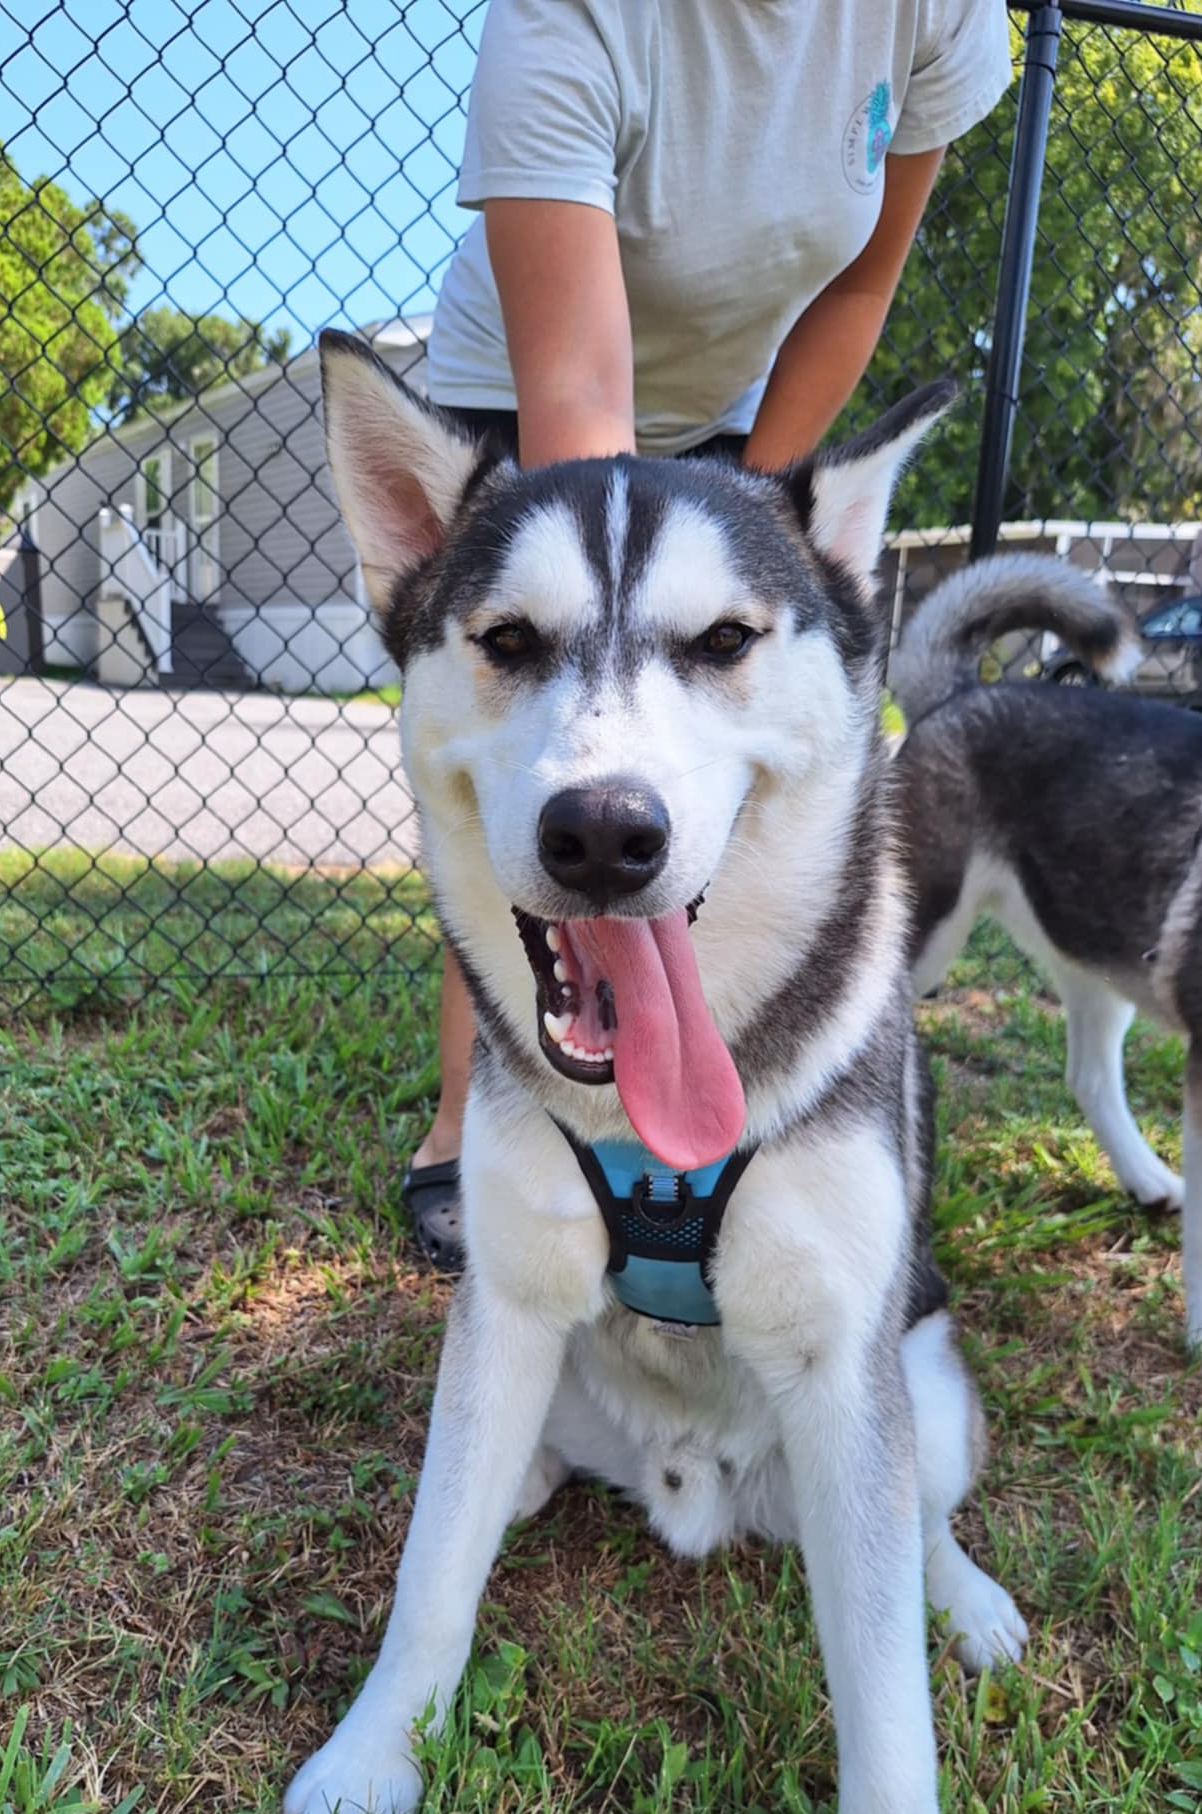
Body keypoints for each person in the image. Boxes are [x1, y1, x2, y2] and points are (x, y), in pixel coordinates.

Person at [400, 0, 1013, 1271]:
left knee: (716, 760)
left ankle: (750, 1120)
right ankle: (478, 1120)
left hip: (745, 427)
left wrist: (763, 540)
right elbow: (577, 381)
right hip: (525, 399)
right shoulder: (567, 18)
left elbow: (862, 279)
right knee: (551, 774)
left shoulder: (941, 14)